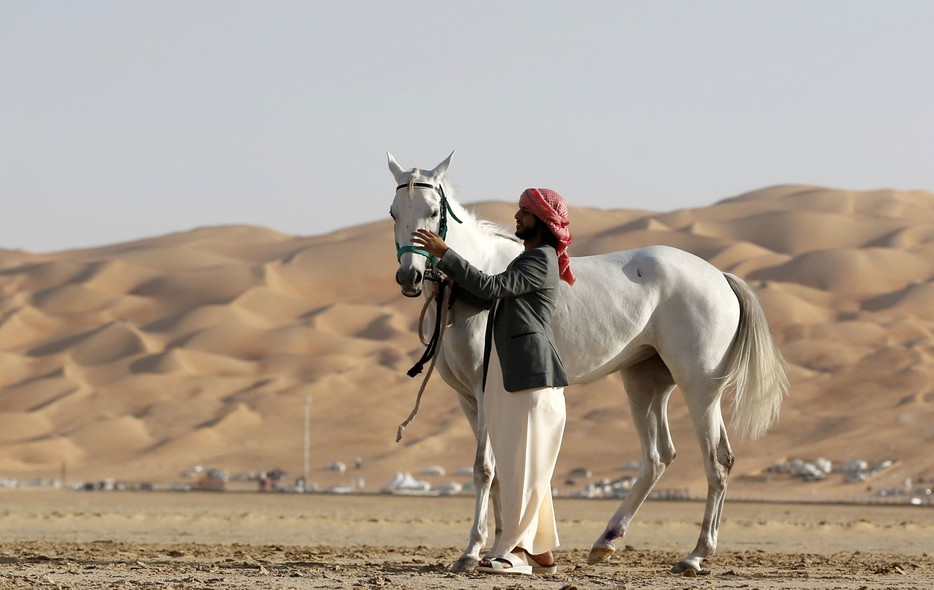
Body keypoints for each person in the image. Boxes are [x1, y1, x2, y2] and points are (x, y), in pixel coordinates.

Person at [412, 188, 575, 575]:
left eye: (524, 213)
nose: (516, 218)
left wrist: (445, 252)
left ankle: (514, 552)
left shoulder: (540, 260)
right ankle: (541, 553)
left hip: (532, 377)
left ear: (542, 221)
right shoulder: (527, 259)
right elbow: (489, 294)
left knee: (520, 468)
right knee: (526, 467)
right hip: (517, 376)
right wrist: (445, 275)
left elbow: (491, 288)